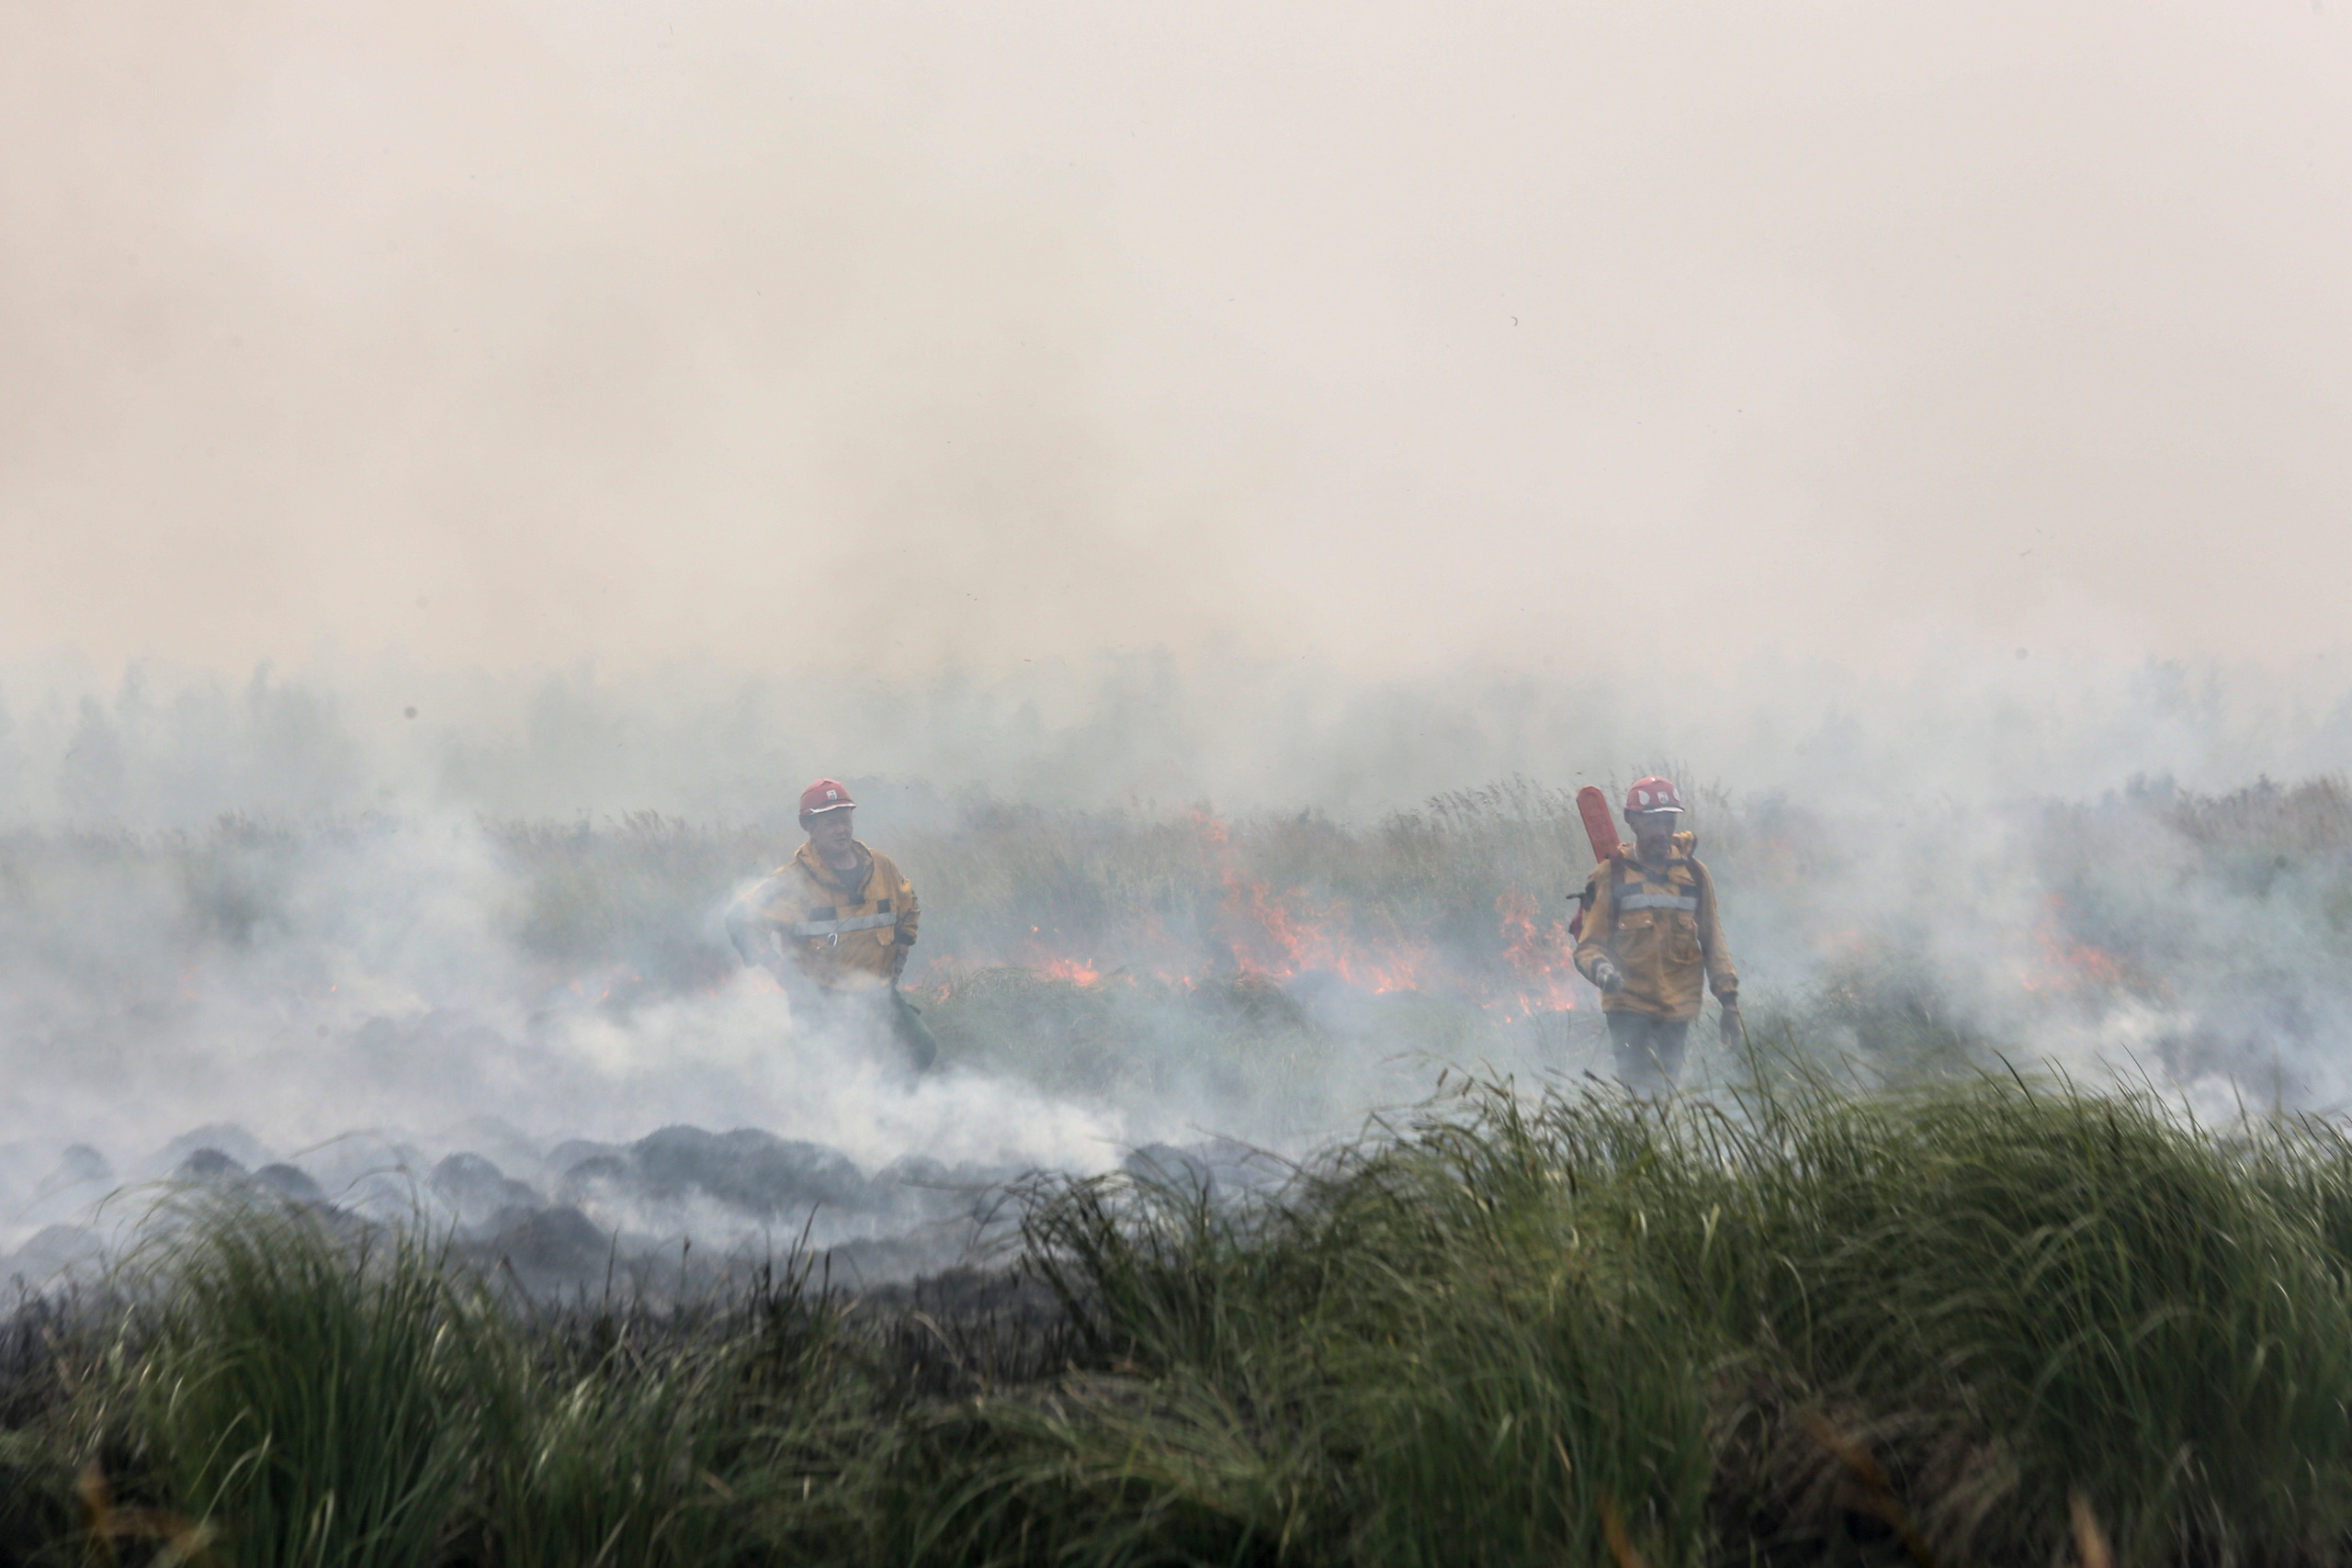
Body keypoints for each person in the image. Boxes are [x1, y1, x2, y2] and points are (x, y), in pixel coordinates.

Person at [726, 778, 939, 1071]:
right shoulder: (792, 881)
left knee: (919, 1048)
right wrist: (779, 970)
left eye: (845, 820)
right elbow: (740, 918)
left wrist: (898, 960)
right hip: (819, 999)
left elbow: (908, 909)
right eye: (831, 823)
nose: (841, 830)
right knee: (828, 1075)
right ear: (810, 827)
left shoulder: (882, 867)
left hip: (876, 991)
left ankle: (892, 1108)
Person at [1572, 775, 1739, 1095]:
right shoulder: (1610, 875)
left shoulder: (1694, 874)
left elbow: (1713, 940)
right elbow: (1588, 947)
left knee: (1666, 1091)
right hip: (1628, 1007)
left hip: (1678, 1009)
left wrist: (1729, 1003)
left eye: (1668, 820)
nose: (1662, 831)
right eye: (1652, 822)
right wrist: (1603, 972)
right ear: (1631, 821)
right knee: (1639, 1093)